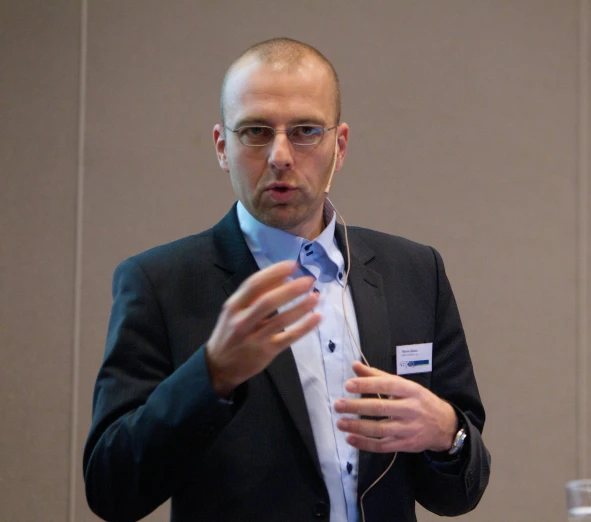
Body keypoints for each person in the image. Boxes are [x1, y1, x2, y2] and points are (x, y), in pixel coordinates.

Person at [83, 37, 490, 522]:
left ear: (338, 146)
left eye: (305, 131)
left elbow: (459, 493)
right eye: (255, 131)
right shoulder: (159, 283)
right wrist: (211, 376)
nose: (280, 154)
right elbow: (111, 489)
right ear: (222, 146)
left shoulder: (416, 272)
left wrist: (448, 433)